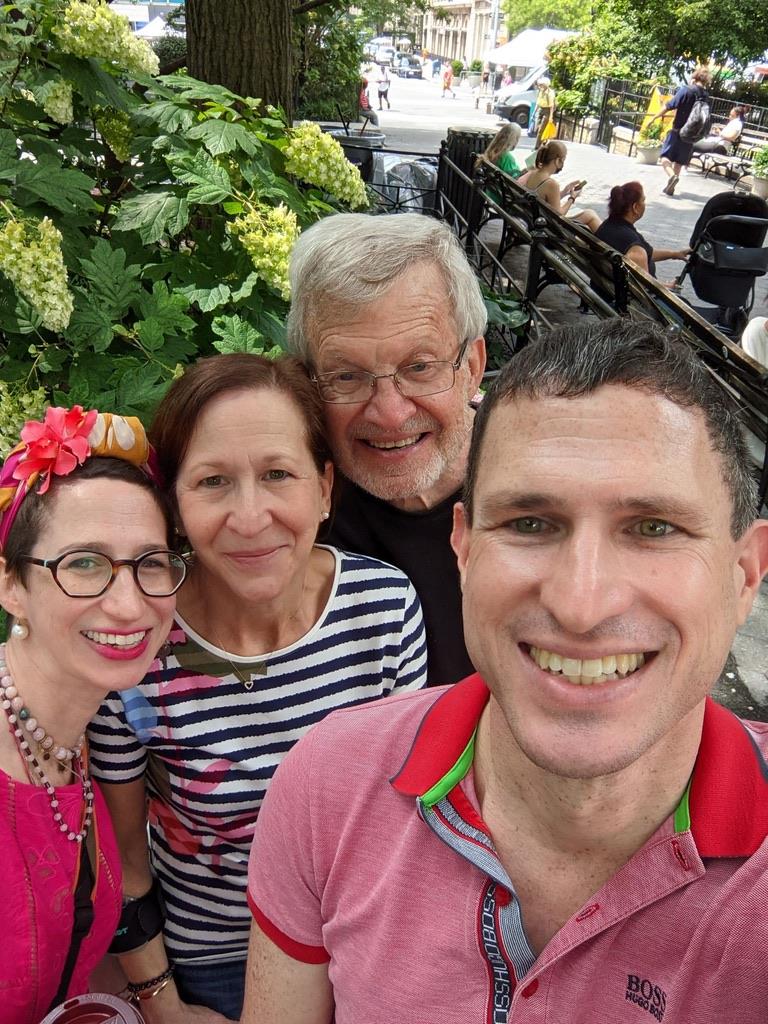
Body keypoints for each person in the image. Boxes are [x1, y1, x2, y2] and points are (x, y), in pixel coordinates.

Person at [242, 320, 768, 1024]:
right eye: (529, 523)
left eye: (654, 528)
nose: (580, 604)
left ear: (744, 575)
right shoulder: (329, 786)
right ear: (463, 550)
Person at [88, 354, 427, 1022]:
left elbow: (403, 820)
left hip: (357, 940)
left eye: (277, 474)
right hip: (216, 960)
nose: (250, 517)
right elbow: (123, 859)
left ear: (324, 488)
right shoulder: (140, 642)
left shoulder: (383, 611)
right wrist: (163, 1005)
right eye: (213, 481)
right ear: (174, 505)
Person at [0, 407, 186, 1024]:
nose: (129, 605)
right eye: (84, 563)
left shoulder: (81, 738)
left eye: (150, 562)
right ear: (11, 585)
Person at [286, 213, 487, 686]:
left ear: (472, 367)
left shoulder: (546, 484)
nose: (390, 414)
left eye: (419, 367)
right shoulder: (289, 505)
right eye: (346, 376)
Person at [596, 181, 690, 279]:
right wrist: (665, 286)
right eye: (643, 200)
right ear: (635, 207)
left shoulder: (607, 226)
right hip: (626, 288)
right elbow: (646, 286)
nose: (645, 204)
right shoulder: (634, 245)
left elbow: (648, 252)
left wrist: (674, 254)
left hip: (604, 284)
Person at [646, 65, 712, 196]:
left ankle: (672, 176)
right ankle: (670, 188)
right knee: (679, 162)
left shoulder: (686, 90)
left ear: (694, 77)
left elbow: (669, 106)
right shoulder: (705, 96)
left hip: (677, 131)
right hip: (691, 134)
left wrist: (653, 118)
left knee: (664, 157)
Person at [518, 140, 601, 231]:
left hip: (534, 219)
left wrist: (565, 191)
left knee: (589, 213)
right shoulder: (551, 184)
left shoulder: (533, 173)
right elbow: (559, 215)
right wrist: (572, 198)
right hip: (549, 229)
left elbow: (547, 201)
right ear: (557, 161)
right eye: (563, 160)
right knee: (590, 215)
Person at [533, 75, 556, 148]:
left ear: (546, 85)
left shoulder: (550, 93)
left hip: (547, 111)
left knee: (541, 130)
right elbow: (538, 102)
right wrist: (534, 112)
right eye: (539, 85)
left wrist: (551, 116)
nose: (540, 86)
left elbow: (551, 106)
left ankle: (537, 146)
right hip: (541, 110)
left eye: (541, 85)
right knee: (537, 128)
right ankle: (543, 143)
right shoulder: (541, 92)